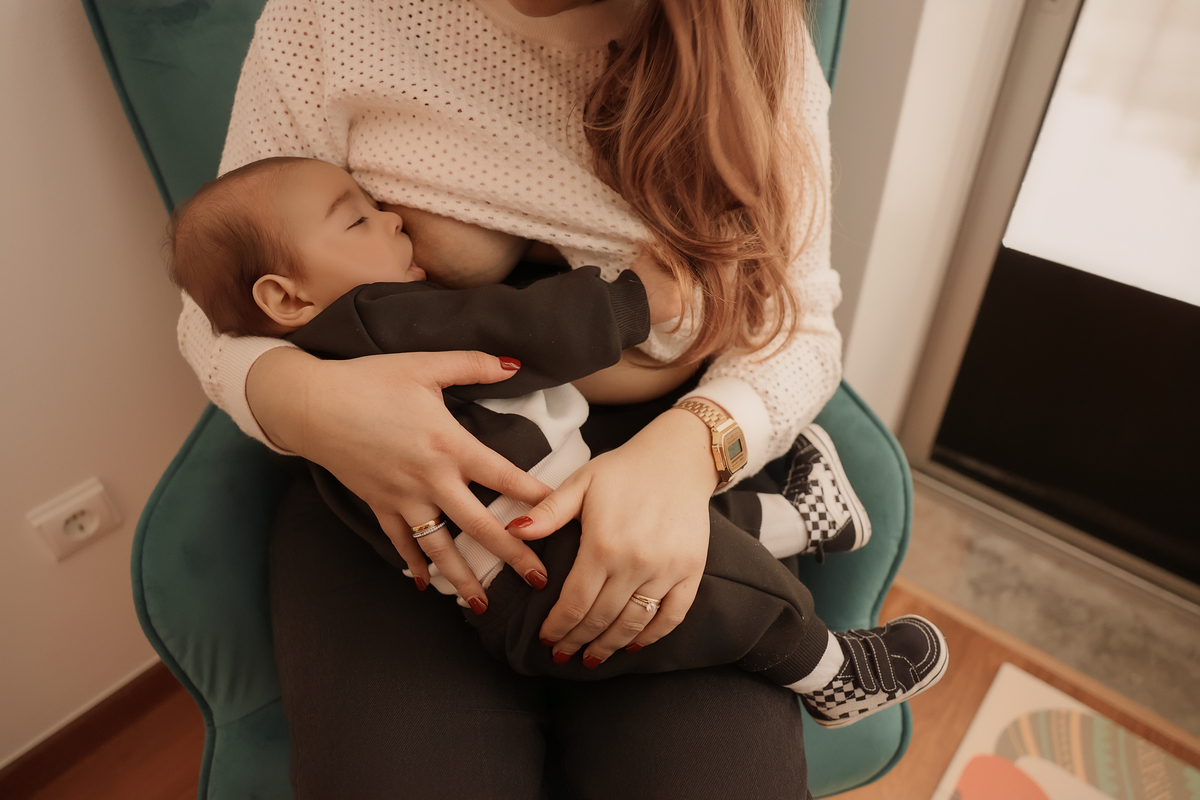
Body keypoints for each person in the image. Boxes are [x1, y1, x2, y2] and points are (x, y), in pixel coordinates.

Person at [177, 0, 936, 796]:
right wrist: (313, 403)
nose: (389, 223)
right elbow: (220, 309)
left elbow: (800, 327)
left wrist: (690, 452)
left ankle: (818, 628)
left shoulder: (753, 42)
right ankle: (814, 600)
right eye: (363, 217)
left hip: (660, 445)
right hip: (390, 492)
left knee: (714, 653)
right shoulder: (331, 17)